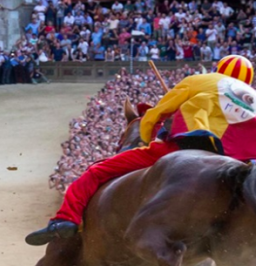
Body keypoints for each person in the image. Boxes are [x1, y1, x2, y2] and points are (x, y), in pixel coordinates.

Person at [25, 55, 256, 246]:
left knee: (96, 172)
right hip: (241, 163)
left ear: (218, 68)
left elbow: (154, 115)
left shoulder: (201, 80)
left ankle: (65, 220)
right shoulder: (252, 97)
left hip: (185, 148)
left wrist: (146, 140)